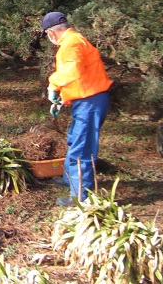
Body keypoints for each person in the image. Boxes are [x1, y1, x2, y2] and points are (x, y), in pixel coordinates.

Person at [41, 11, 113, 207]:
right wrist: (61, 99)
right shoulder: (73, 41)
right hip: (85, 100)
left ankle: (80, 198)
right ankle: (69, 179)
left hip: (91, 102)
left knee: (83, 148)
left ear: (51, 33)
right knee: (74, 139)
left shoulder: (72, 44)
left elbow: (72, 71)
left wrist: (52, 84)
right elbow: (80, 78)